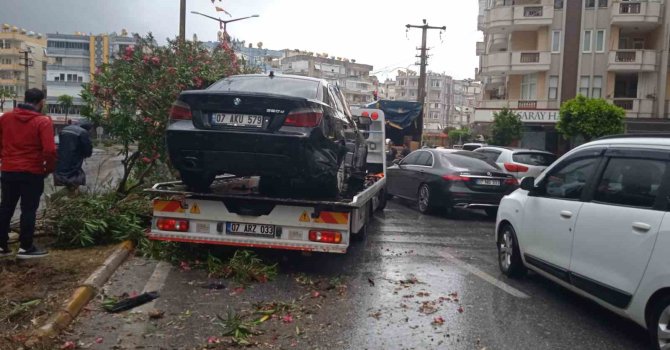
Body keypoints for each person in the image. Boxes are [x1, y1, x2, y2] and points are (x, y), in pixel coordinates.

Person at [0, 89, 56, 259]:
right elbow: (50, 151)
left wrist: (6, 160)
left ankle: (1, 246)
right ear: (41, 102)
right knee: (28, 209)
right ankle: (26, 247)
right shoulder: (43, 121)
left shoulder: (5, 118)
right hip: (32, 172)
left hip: (9, 171)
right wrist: (47, 169)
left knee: (6, 207)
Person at [54, 119, 93, 193]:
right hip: (74, 159)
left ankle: (64, 195)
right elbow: (87, 149)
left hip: (61, 158)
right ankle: (71, 195)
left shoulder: (65, 129)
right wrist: (86, 154)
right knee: (75, 177)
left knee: (64, 176)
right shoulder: (83, 132)